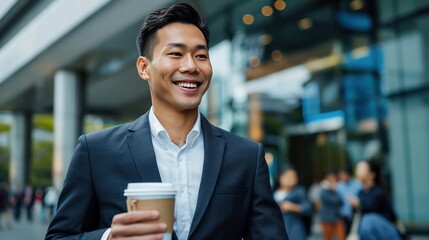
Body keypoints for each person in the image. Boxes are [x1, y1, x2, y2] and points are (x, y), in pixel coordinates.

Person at [45, 3, 288, 240]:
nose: (191, 66)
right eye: (176, 54)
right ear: (144, 68)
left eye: (201, 55)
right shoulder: (95, 151)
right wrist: (109, 238)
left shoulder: (246, 156)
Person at [349, 160, 402, 240]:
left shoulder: (378, 192)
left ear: (372, 174)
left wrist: (360, 204)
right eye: (357, 168)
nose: (357, 171)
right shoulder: (360, 193)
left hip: (385, 232)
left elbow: (390, 216)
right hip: (369, 233)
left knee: (368, 220)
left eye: (362, 169)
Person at [273, 166, 312, 240]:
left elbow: (308, 208)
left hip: (294, 230)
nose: (290, 179)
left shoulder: (299, 191)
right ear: (279, 177)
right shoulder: (273, 193)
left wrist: (292, 207)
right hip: (277, 230)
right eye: (287, 177)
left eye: (293, 177)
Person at [319, 169, 346, 240]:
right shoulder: (323, 190)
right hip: (327, 219)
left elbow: (341, 201)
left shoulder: (337, 189)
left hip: (337, 218)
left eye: (333, 177)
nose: (332, 179)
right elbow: (334, 200)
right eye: (330, 177)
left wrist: (335, 189)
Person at [336, 167, 362, 234]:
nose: (342, 177)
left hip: (356, 214)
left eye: (343, 175)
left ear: (348, 175)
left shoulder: (358, 185)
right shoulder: (338, 186)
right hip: (343, 215)